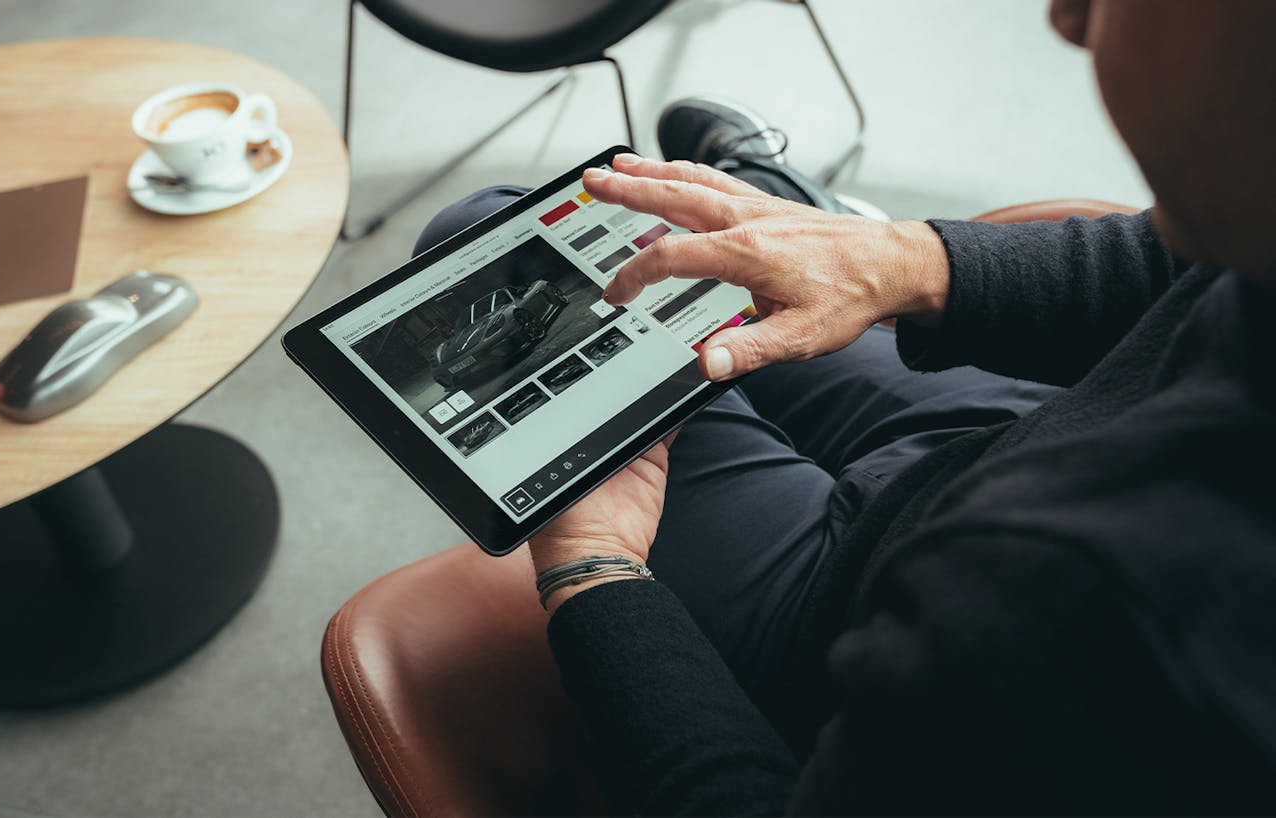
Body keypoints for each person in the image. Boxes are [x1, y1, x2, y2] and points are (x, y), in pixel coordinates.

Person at [415, 0, 1276, 812]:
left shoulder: (1080, 604)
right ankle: (799, 203)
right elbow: (1195, 265)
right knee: (552, 230)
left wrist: (593, 570)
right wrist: (904, 259)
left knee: (488, 243)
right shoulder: (1248, 216)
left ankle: (777, 189)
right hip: (1018, 433)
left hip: (849, 610)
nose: (1068, 17)